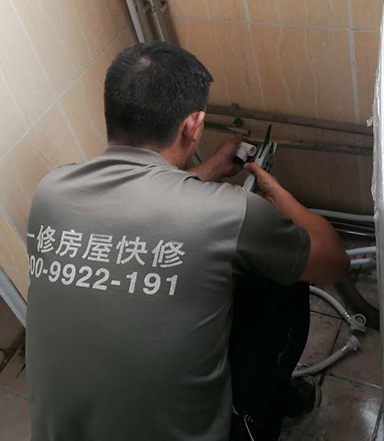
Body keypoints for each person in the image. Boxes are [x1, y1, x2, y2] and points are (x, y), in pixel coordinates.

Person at [25, 41, 349, 441]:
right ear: (193, 126)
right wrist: (276, 193)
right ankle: (260, 415)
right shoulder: (231, 212)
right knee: (279, 280)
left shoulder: (52, 192)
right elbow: (334, 262)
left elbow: (142, 205)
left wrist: (210, 168)